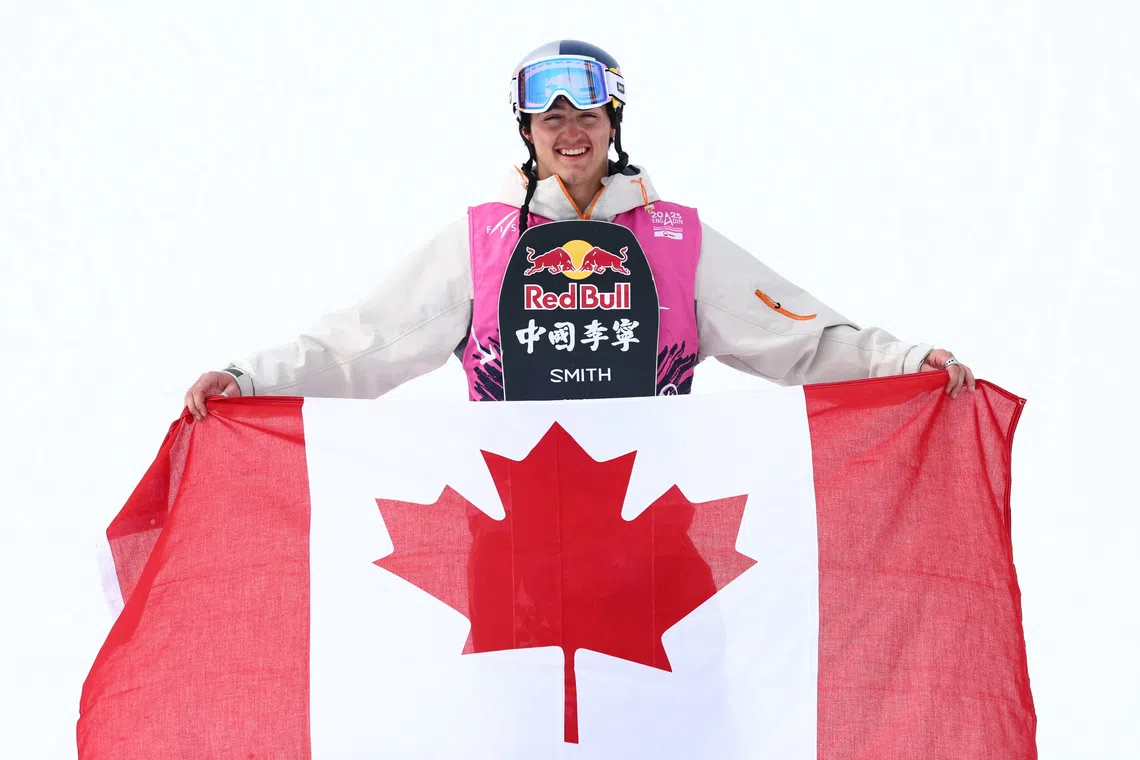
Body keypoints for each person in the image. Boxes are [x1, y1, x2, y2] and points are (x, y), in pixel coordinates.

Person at [185, 39, 975, 420]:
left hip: (652, 523)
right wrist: (250, 381)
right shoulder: (482, 243)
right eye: (551, 118)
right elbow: (359, 347)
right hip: (513, 529)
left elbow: (798, 338)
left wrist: (904, 362)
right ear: (527, 132)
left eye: (587, 115)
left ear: (612, 124)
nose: (571, 133)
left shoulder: (675, 240)